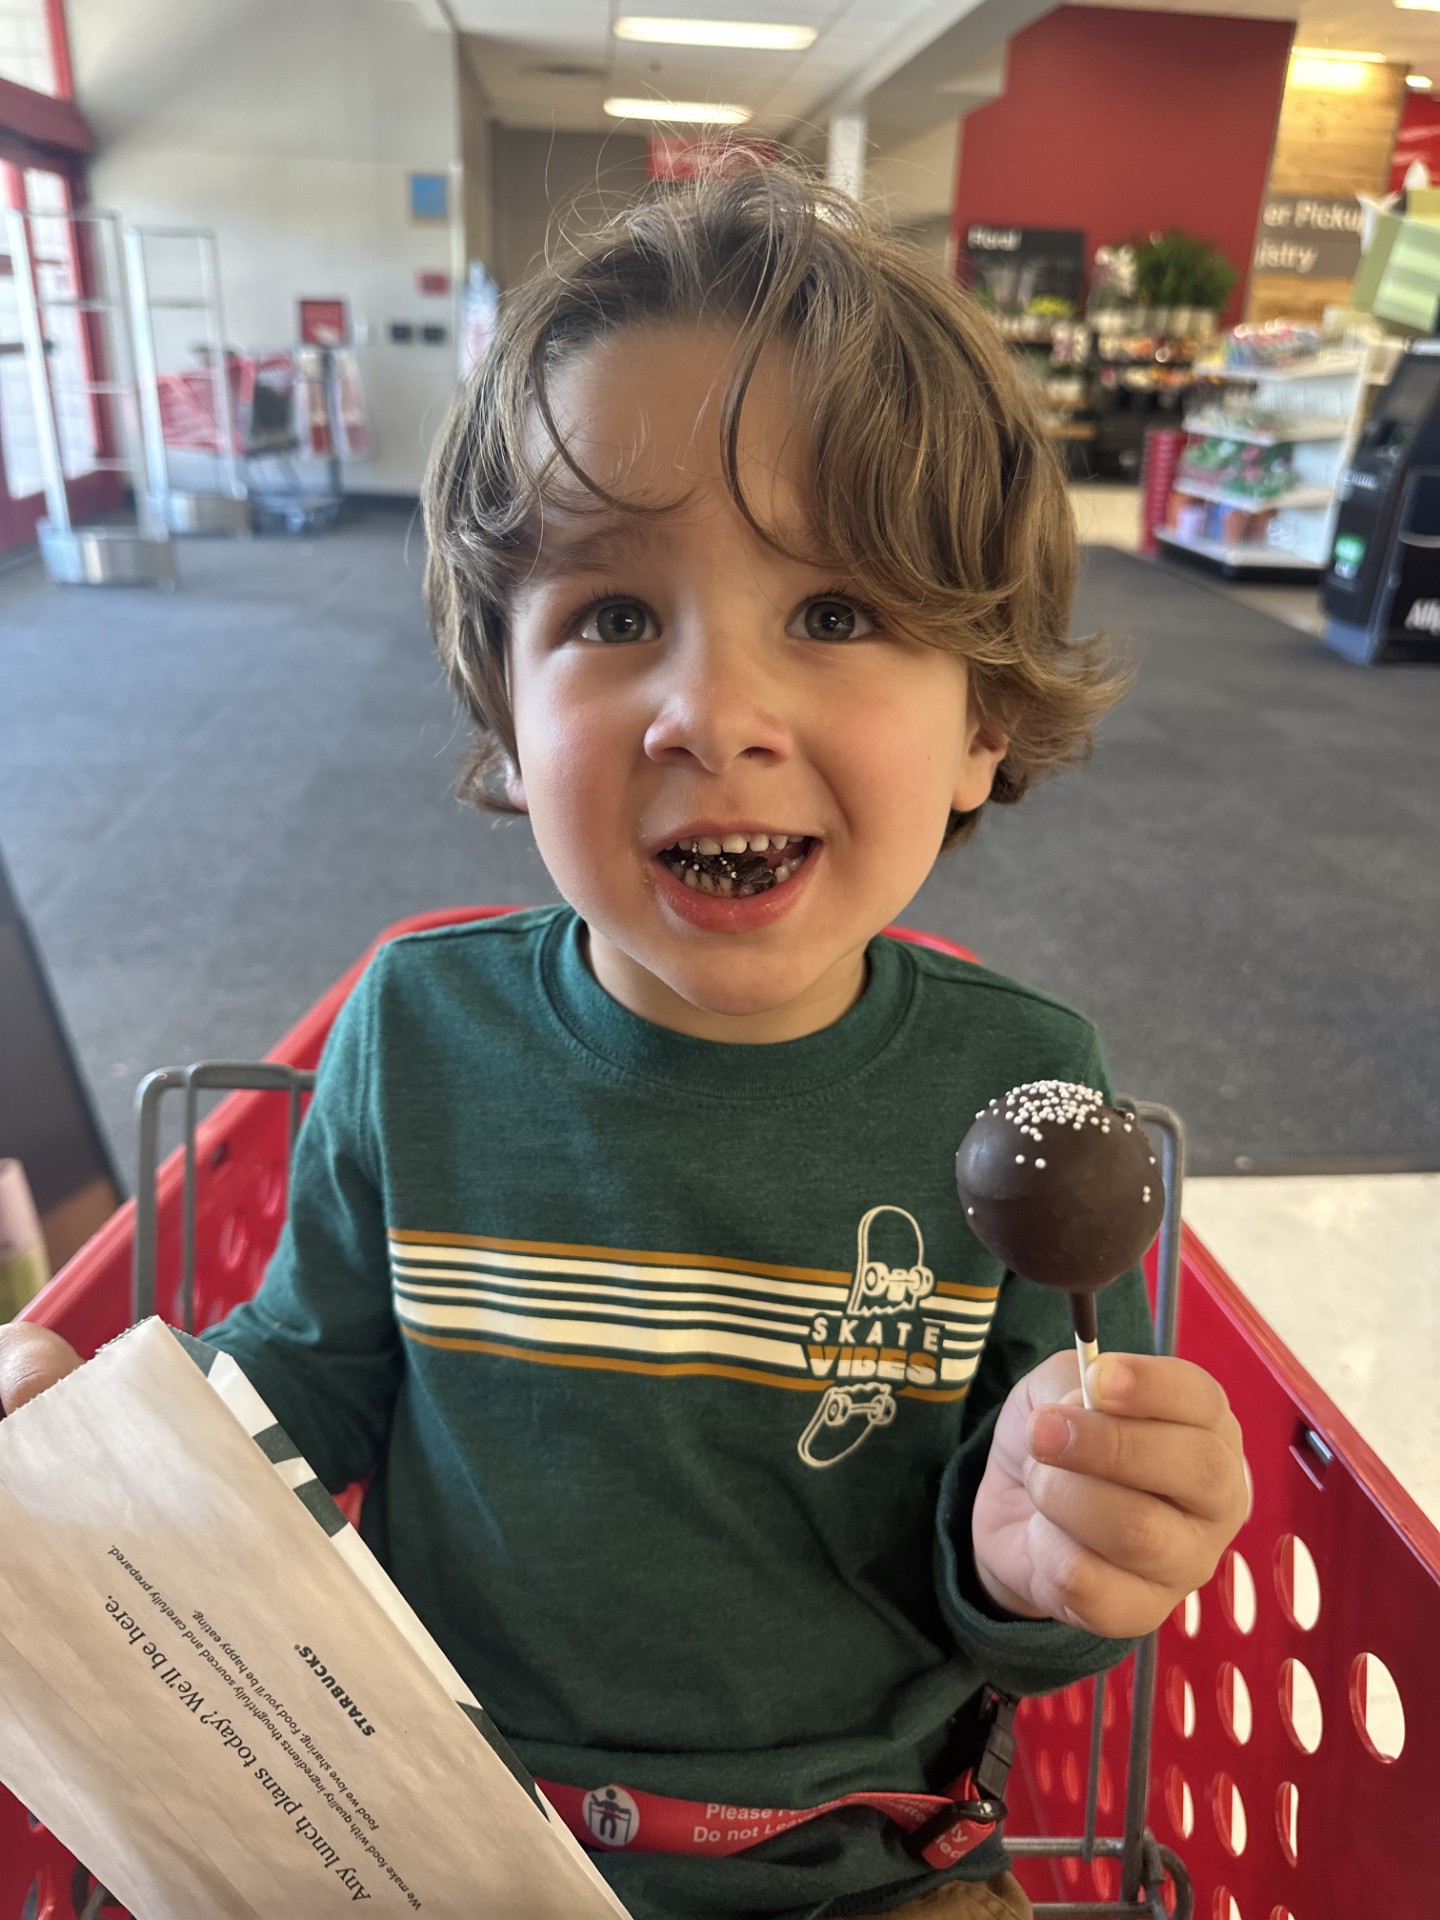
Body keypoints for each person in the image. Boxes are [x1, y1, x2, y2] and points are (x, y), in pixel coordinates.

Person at [0, 166, 1248, 1920]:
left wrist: (1052, 1555)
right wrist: (101, 1467)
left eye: (834, 614)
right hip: (432, 1828)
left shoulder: (1020, 1091)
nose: (712, 715)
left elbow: (1013, 1605)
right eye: (610, 617)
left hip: (867, 1858)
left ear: (983, 724)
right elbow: (308, 1377)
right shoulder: (417, 1035)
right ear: (507, 728)